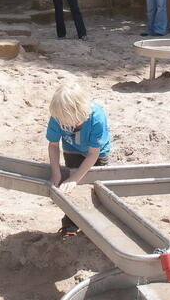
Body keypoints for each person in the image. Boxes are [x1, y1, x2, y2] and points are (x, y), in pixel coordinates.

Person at [46, 81, 111, 238]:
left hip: (97, 153)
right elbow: (53, 145)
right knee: (70, 189)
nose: (67, 125)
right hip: (72, 149)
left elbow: (93, 154)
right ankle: (70, 224)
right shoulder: (57, 117)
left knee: (93, 188)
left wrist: (75, 179)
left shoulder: (96, 118)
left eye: (71, 123)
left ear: (81, 113)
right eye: (64, 123)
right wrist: (56, 172)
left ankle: (97, 226)